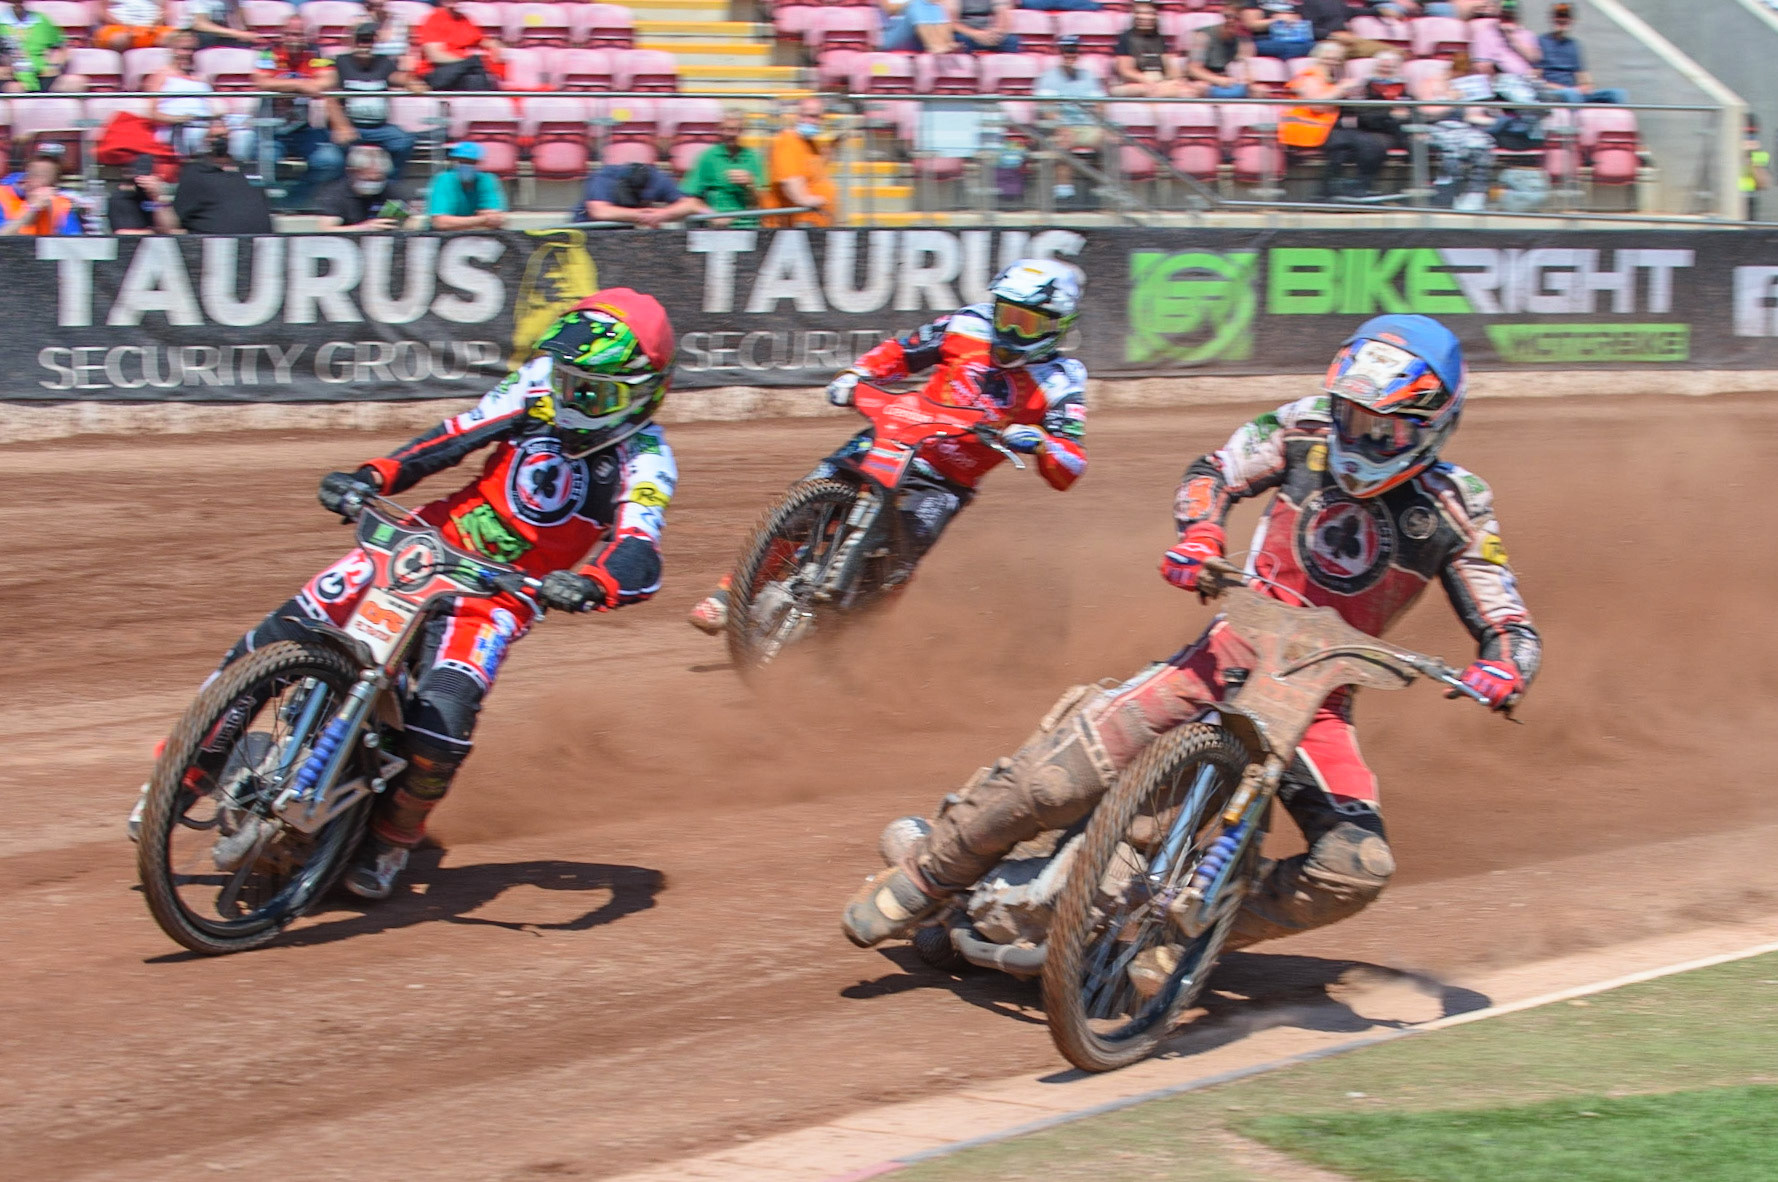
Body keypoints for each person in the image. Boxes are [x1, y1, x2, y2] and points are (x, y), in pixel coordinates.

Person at [841, 315, 1541, 970]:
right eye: (1353, 415)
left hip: (1319, 700)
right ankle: (926, 874)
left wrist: (1504, 667)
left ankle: (1193, 933)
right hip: (1230, 650)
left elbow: (1508, 618)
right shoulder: (1301, 426)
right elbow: (1215, 471)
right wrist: (1200, 534)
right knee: (1058, 780)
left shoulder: (1459, 505)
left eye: (1385, 428)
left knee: (1355, 868)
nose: (1361, 437)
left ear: (1433, 425)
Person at [126, 293, 681, 902]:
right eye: (570, 381)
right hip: (417, 546)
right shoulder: (537, 388)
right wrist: (373, 476)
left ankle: (394, 835)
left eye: (592, 393)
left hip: (497, 595)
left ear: (645, 392)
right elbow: (451, 438)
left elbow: (640, 549)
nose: (572, 400)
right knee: (277, 637)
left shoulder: (646, 458)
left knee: (444, 719)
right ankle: (184, 773)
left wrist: (597, 582)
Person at [687, 259, 1088, 635]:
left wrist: (1042, 443)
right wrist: (859, 372)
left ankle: (857, 640)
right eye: (1006, 315)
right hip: (895, 434)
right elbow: (903, 351)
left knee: (896, 561)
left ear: (1058, 326)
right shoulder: (967, 324)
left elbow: (1070, 463)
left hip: (946, 480)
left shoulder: (1062, 380)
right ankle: (731, 592)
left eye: (1027, 323)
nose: (1011, 331)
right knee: (802, 507)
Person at [251, 18, 337, 207]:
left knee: (331, 160)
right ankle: (263, 206)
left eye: (298, 35)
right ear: (282, 36)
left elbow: (328, 81)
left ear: (307, 37)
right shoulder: (268, 54)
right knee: (264, 158)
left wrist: (285, 86)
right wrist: (300, 84)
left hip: (302, 129)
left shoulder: (317, 54)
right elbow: (262, 82)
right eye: (289, 34)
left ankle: (292, 201)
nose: (293, 39)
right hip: (270, 128)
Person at [323, 23, 422, 182]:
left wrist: (411, 82)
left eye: (368, 41)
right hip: (349, 126)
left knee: (404, 141)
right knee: (333, 155)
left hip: (379, 128)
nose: (364, 45)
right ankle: (344, 189)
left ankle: (389, 185)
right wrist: (341, 126)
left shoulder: (384, 62)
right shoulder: (339, 62)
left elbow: (397, 77)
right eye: (360, 40)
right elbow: (330, 97)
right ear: (352, 41)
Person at [1281, 41, 1376, 200]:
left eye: (1336, 59)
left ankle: (1332, 191)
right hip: (1307, 130)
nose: (1332, 62)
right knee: (1365, 142)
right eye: (1327, 58)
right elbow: (1317, 105)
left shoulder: (1330, 79)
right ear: (1317, 57)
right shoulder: (1310, 76)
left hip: (1326, 129)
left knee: (1345, 149)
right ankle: (1355, 186)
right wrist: (1342, 89)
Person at [149, 32, 250, 159]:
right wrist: (178, 119)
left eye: (193, 49)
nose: (189, 53)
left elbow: (212, 105)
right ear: (173, 50)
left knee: (244, 133)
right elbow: (152, 114)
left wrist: (218, 122)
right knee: (199, 133)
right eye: (184, 49)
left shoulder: (201, 77)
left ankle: (238, 173)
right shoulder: (161, 75)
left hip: (205, 122)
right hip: (178, 126)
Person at [1035, 34, 1105, 205]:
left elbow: (1100, 105)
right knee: (1063, 138)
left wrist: (1098, 121)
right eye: (1066, 50)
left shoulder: (1089, 76)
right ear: (1060, 52)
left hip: (1087, 126)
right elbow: (1047, 109)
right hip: (1062, 126)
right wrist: (1061, 125)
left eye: (1073, 50)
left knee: (1110, 139)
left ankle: (1102, 190)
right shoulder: (1048, 77)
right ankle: (1064, 194)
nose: (1069, 54)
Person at [172, 124, 274, 232]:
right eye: (215, 136)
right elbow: (178, 216)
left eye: (224, 136)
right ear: (207, 141)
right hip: (213, 243)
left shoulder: (249, 171)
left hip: (259, 242)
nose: (220, 140)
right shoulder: (195, 172)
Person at [682, 109, 767, 226]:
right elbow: (688, 197)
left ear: (743, 131)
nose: (731, 134)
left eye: (735, 129)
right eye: (727, 129)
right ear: (719, 130)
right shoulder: (707, 157)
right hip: (715, 228)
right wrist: (711, 215)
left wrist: (750, 184)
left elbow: (764, 201)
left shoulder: (753, 157)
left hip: (748, 225)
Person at [1535, 3, 1625, 105]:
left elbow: (1583, 77)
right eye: (1559, 16)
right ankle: (1575, 120)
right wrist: (1568, 89)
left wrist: (1586, 87)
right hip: (1553, 93)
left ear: (1571, 20)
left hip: (1574, 92)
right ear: (1552, 18)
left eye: (1566, 16)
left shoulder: (1573, 45)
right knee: (1571, 95)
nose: (1562, 20)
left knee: (1617, 94)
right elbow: (1536, 80)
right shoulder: (1541, 41)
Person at [769, 97, 837, 227]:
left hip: (816, 224)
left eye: (817, 117)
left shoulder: (812, 144)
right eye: (808, 116)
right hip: (798, 224)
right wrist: (805, 200)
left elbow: (813, 176)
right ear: (797, 116)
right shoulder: (787, 141)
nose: (811, 121)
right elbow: (790, 180)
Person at [574, 161, 708, 227]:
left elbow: (692, 204)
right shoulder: (603, 178)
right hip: (589, 232)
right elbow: (599, 211)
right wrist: (643, 215)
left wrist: (662, 214)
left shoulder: (658, 180)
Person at [314, 143, 412, 230]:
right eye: (368, 179)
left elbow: (407, 221)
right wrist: (364, 228)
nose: (373, 183)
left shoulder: (392, 191)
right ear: (352, 172)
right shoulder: (335, 194)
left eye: (378, 179)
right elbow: (326, 229)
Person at [418, 0, 505, 91]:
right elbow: (435, 56)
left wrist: (495, 45)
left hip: (462, 73)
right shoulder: (434, 19)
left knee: (475, 79)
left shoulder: (465, 19)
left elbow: (479, 40)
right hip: (436, 72)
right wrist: (467, 63)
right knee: (476, 62)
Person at [1111, 1, 1191, 98]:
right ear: (1134, 16)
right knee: (1151, 91)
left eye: (1149, 13)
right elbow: (1125, 71)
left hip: (1159, 82)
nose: (1145, 17)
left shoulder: (1159, 38)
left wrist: (1178, 79)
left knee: (1188, 90)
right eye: (1140, 13)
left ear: (1156, 16)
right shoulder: (1126, 38)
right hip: (1135, 83)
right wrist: (1148, 80)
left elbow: (1169, 66)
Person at [426, 140, 507, 230]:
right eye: (462, 161)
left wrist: (458, 222)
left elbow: (495, 219)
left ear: (479, 163)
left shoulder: (487, 180)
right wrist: (482, 220)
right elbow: (440, 222)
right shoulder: (444, 180)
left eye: (471, 162)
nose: (466, 165)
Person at [0, 154, 82, 234]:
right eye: (32, 174)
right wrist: (32, 209)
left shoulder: (62, 205)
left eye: (43, 176)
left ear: (53, 186)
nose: (33, 181)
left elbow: (73, 242)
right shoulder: (3, 197)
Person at [0, 0, 69, 91]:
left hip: (42, 75)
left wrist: (54, 66)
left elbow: (61, 47)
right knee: (15, 88)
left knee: (74, 82)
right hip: (11, 77)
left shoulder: (42, 20)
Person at [1188, 2, 1253, 98]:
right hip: (1206, 80)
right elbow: (1193, 69)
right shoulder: (1203, 36)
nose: (1231, 21)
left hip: (1229, 80)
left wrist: (1246, 79)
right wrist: (1218, 80)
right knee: (1200, 88)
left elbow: (1246, 69)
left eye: (1237, 18)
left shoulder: (1243, 41)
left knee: (1258, 90)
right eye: (1228, 16)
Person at [108, 153, 183, 234]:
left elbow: (170, 228)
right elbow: (123, 233)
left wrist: (158, 198)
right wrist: (155, 232)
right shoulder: (121, 198)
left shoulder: (153, 196)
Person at [1243, 0, 1315, 61]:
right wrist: (1278, 21)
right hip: (1267, 40)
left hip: (1299, 39)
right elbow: (1251, 24)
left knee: (1318, 48)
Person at [97, 0, 175, 53]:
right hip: (119, 28)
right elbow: (102, 12)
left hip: (153, 29)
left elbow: (165, 10)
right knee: (118, 39)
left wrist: (156, 23)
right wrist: (126, 27)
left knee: (176, 37)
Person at [181, 0, 259, 50]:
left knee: (245, 41)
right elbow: (199, 24)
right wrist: (236, 33)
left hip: (224, 31)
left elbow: (242, 24)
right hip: (194, 32)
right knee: (207, 37)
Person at [951, 0, 1019, 55]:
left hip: (987, 31)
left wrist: (996, 32)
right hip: (964, 33)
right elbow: (952, 22)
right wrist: (976, 34)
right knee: (962, 41)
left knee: (1010, 40)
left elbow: (1004, 16)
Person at [1744, 114, 1772, 223]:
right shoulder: (1729, 153)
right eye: (1746, 134)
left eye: (1752, 134)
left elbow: (1764, 184)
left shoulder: (1759, 155)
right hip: (1732, 203)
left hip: (1750, 201)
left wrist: (1753, 160)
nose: (1750, 138)